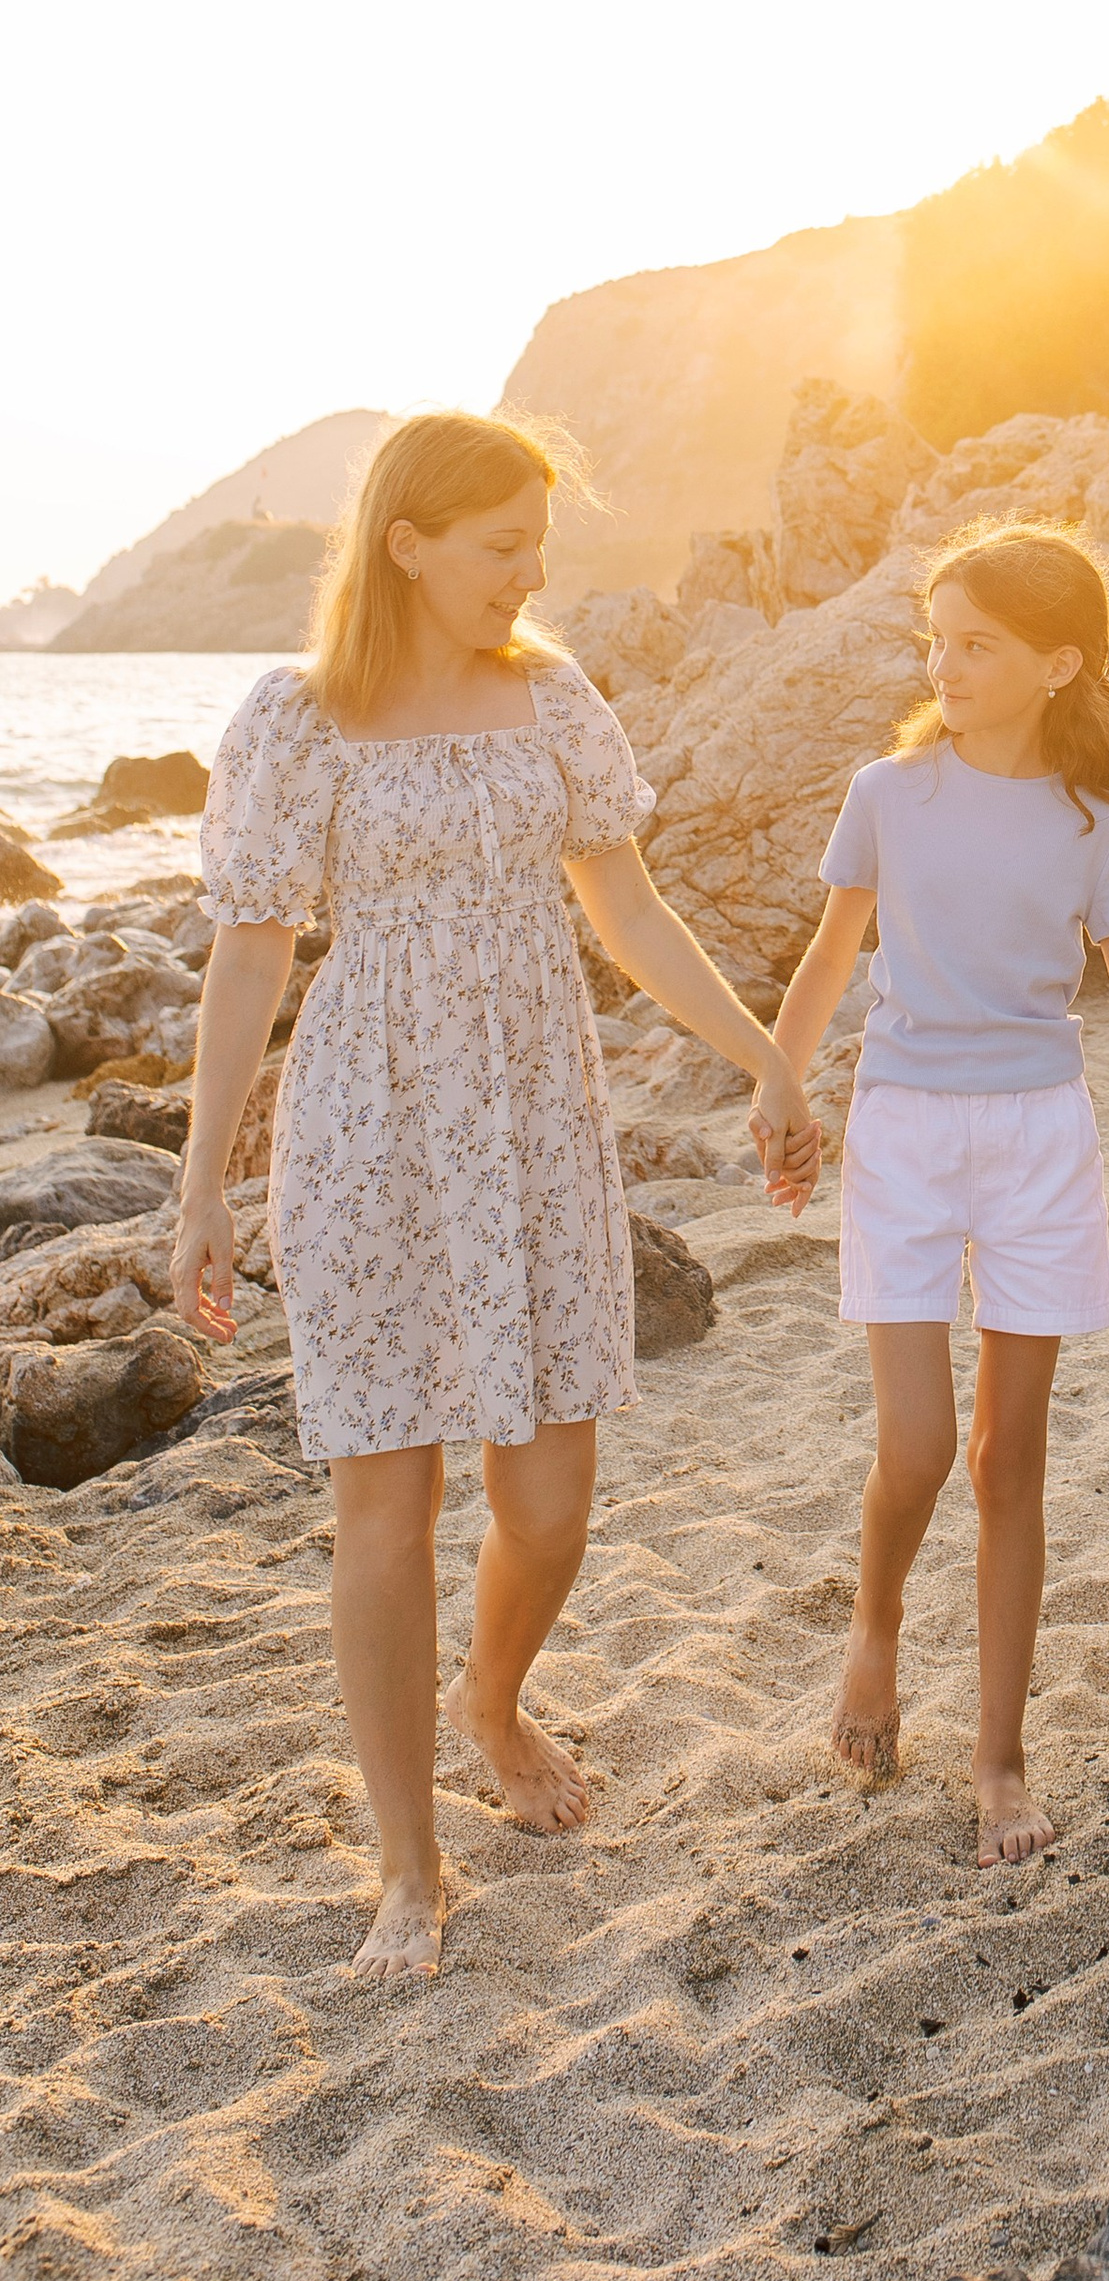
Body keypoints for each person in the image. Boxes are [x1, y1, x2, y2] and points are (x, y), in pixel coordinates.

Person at [171, 410, 822, 1980]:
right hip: (365, 1130)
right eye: (500, 548)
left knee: (547, 1503)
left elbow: (629, 910)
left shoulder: (552, 697)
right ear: (406, 543)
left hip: (533, 1125)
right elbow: (252, 954)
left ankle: (493, 1697)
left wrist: (765, 1059)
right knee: (384, 1510)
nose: (528, 575)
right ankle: (409, 1864)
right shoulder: (298, 717)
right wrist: (201, 1185)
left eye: (541, 545)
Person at [767, 520, 1109, 1867]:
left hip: (1041, 1137)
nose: (946, 663)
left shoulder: (1096, 824)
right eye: (937, 640)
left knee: (1007, 1460)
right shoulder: (889, 793)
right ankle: (874, 1632)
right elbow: (826, 962)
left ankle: (999, 1757)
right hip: (905, 1131)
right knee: (918, 1449)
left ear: (1056, 664)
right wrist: (779, 1086)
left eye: (975, 644)